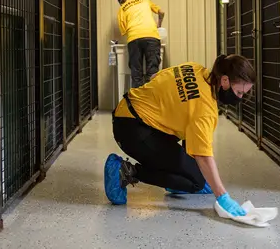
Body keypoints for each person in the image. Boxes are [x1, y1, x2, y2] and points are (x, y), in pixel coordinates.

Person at [104, 54, 256, 217]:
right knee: (196, 182)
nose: (240, 98)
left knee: (194, 174)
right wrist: (222, 197)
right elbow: (203, 156)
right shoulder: (205, 110)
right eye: (239, 92)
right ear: (225, 81)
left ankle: (175, 179)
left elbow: (155, 77)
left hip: (126, 113)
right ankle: (127, 171)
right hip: (133, 131)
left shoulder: (195, 68)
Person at [117, 0, 166, 88]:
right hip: (151, 35)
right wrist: (159, 24)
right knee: (152, 72)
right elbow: (161, 12)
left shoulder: (122, 9)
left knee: (136, 73)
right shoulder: (144, 0)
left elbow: (124, 31)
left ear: (121, 1)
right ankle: (152, 100)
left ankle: (139, 101)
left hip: (134, 38)